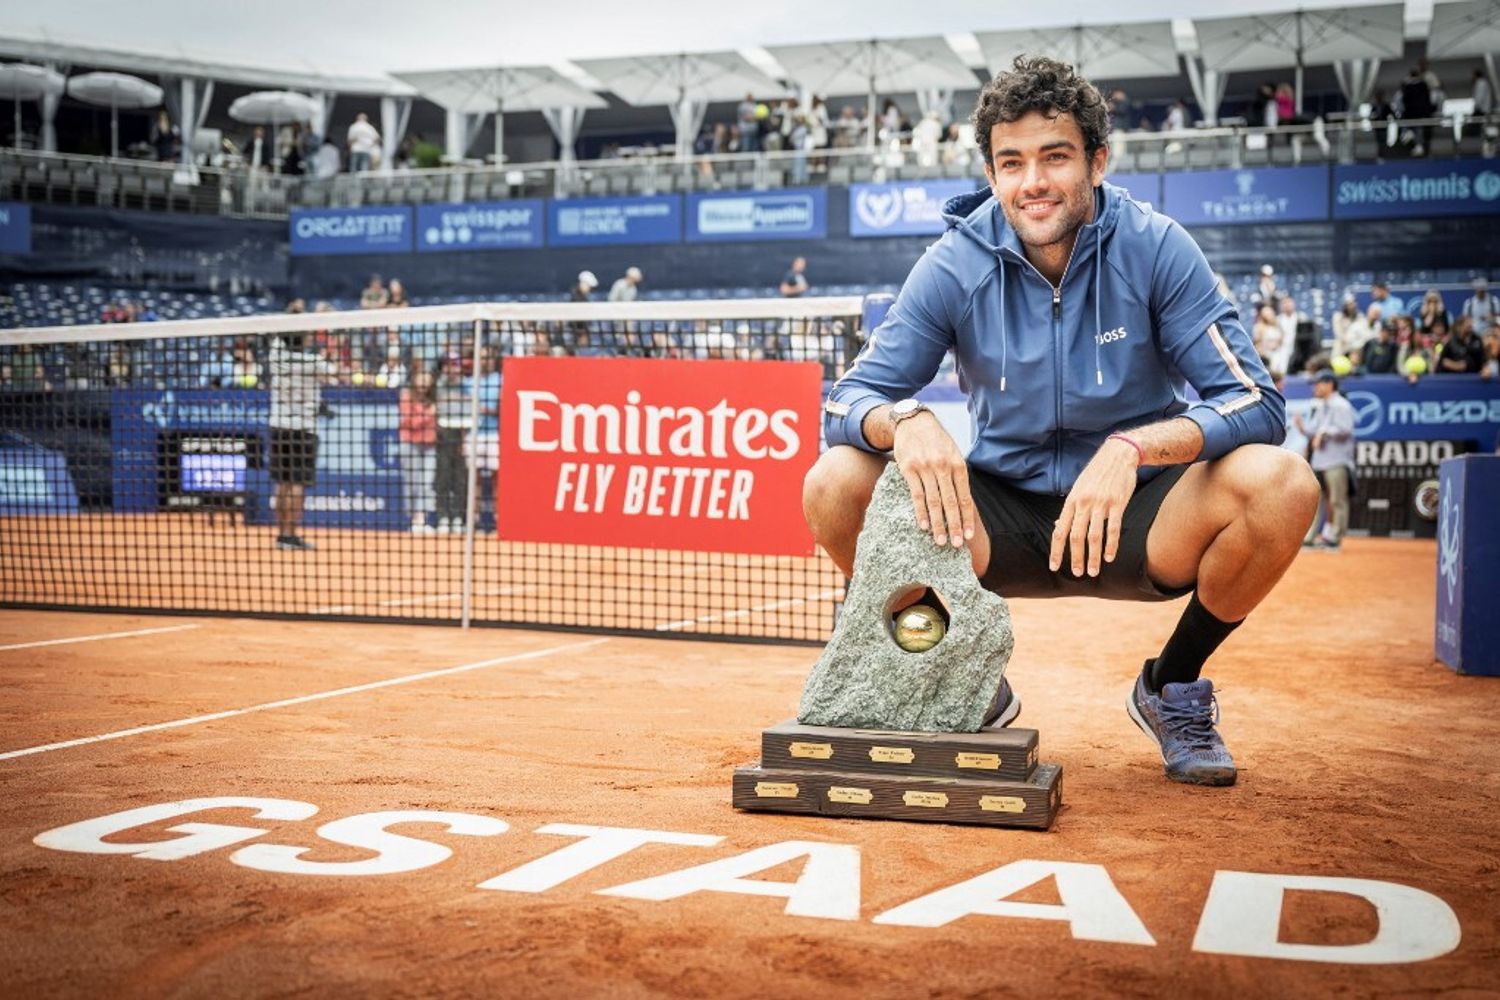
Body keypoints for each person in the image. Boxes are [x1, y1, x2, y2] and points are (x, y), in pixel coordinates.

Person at [805, 55, 1318, 788]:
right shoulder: (953, 263)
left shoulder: (1157, 246)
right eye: (1011, 163)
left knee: (1284, 484)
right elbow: (846, 400)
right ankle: (961, 670)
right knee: (835, 482)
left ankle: (1172, 686)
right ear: (991, 174)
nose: (1033, 182)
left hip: (1137, 514)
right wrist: (907, 418)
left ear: (1097, 162)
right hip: (996, 520)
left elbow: (1258, 404)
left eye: (1055, 157)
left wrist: (1136, 446)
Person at [268, 332, 335, 550]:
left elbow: (278, 338)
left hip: (278, 428)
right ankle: (291, 536)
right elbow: (332, 374)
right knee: (297, 484)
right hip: (304, 430)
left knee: (281, 483)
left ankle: (281, 536)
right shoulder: (313, 362)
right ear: (303, 340)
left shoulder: (275, 358)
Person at [1293, 370, 1356, 552]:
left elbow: (1346, 429)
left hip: (1337, 461)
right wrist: (1303, 427)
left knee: (1337, 500)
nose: (1315, 387)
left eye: (1318, 383)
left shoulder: (1341, 405)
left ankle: (1334, 539)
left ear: (1330, 385)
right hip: (1320, 461)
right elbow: (1313, 430)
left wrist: (1324, 432)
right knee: (1315, 501)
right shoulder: (1322, 406)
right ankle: (1310, 538)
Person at [433, 354, 471, 534]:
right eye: (448, 365)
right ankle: (442, 518)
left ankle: (458, 518)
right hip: (443, 434)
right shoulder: (438, 385)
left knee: (460, 480)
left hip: (462, 434)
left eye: (455, 365)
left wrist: (465, 438)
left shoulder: (467, 386)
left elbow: (470, 411)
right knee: (442, 479)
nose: (452, 369)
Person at [399, 368, 438, 533]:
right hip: (410, 444)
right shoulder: (406, 396)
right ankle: (413, 519)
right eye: (421, 381)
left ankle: (421, 519)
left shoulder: (435, 398)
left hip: (430, 445)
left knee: (427, 482)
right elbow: (409, 423)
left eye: (427, 382)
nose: (423, 385)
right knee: (412, 482)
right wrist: (428, 415)